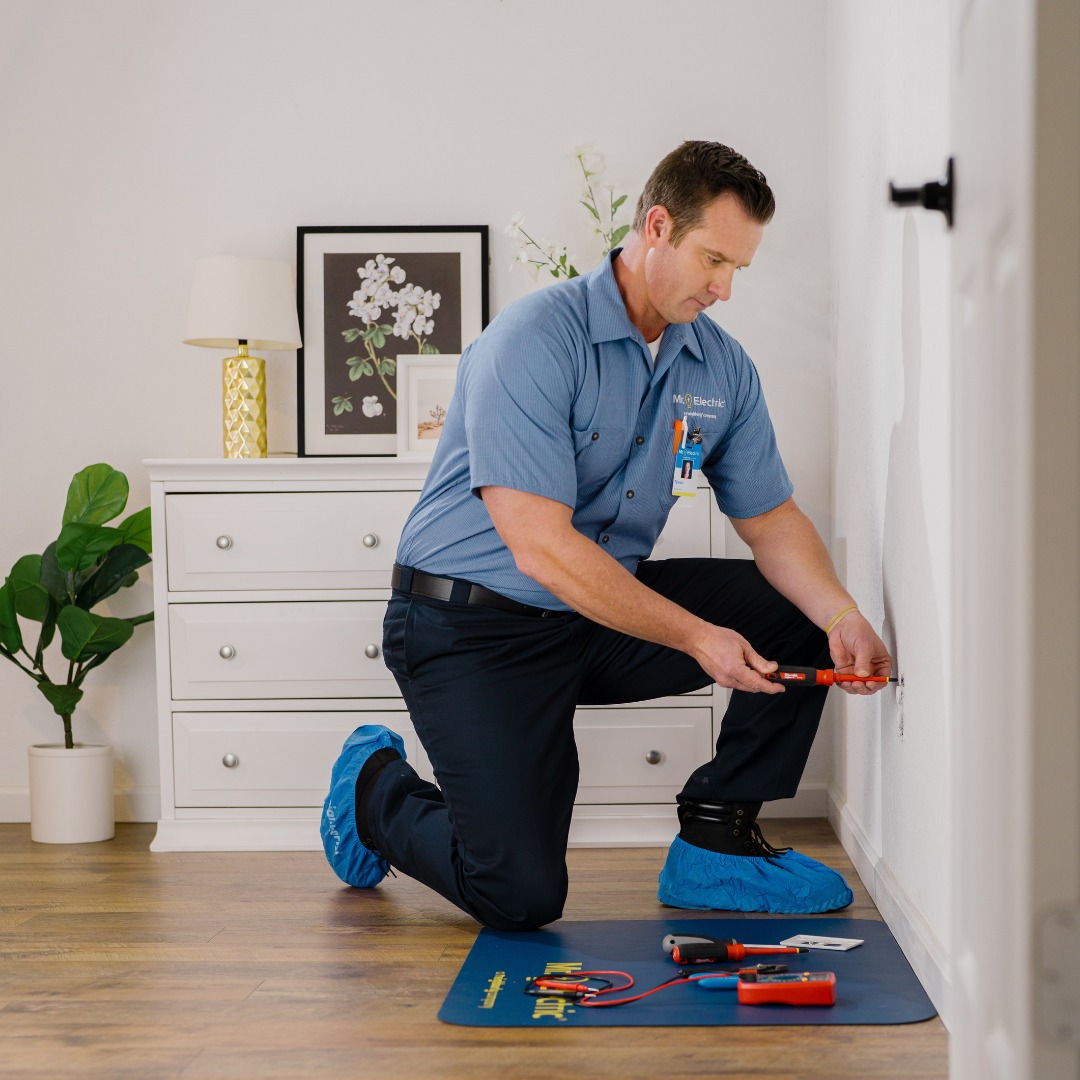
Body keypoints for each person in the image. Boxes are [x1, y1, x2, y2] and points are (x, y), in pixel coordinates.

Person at [321, 140, 892, 931]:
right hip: (468, 624)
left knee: (795, 611)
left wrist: (842, 618)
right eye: (713, 259)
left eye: (740, 270)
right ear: (657, 226)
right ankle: (372, 789)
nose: (725, 288)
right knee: (517, 897)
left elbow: (770, 520)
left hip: (591, 617)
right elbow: (541, 548)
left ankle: (719, 840)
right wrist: (697, 638)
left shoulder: (719, 369)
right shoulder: (534, 339)